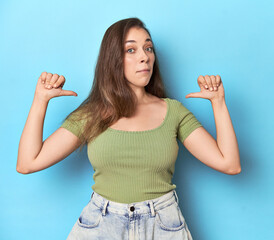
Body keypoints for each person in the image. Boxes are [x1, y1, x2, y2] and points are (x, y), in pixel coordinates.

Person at [16, 17, 241, 240]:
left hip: (162, 225)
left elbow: (229, 164)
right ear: (112, 59)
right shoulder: (92, 114)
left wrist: (218, 102)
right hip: (102, 225)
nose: (145, 57)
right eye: (131, 50)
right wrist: (40, 100)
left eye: (148, 48)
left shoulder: (174, 112)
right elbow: (28, 163)